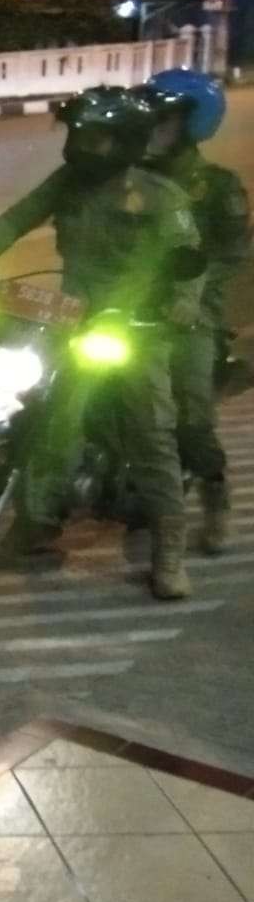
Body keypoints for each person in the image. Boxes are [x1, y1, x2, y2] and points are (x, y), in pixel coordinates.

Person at [0, 85, 204, 599]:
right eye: (79, 134)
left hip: (136, 324)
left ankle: (169, 554)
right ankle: (36, 525)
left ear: (126, 142)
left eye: (97, 138)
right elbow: (18, 218)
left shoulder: (162, 196)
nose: (84, 146)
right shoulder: (68, 183)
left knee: (152, 432)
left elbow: (188, 252)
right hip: (72, 315)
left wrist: (184, 302)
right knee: (49, 419)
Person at [135, 69, 250, 555]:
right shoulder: (125, 177)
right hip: (124, 306)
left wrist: (189, 296)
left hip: (192, 314)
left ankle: (215, 496)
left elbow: (232, 254)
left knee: (191, 413)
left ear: (192, 125)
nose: (151, 127)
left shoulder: (218, 187)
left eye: (163, 119)